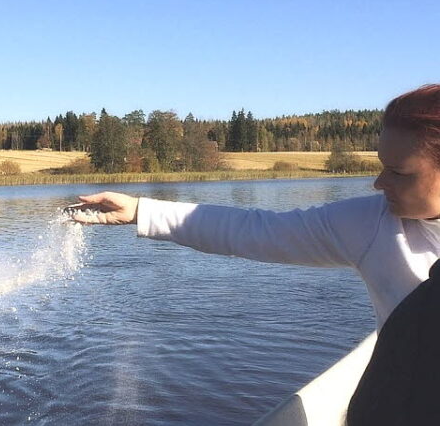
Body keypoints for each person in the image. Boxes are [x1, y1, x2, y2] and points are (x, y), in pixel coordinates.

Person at [69, 84, 440, 331]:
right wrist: (140, 210)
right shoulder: (372, 224)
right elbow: (253, 231)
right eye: (380, 166)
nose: (378, 183)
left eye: (398, 172)